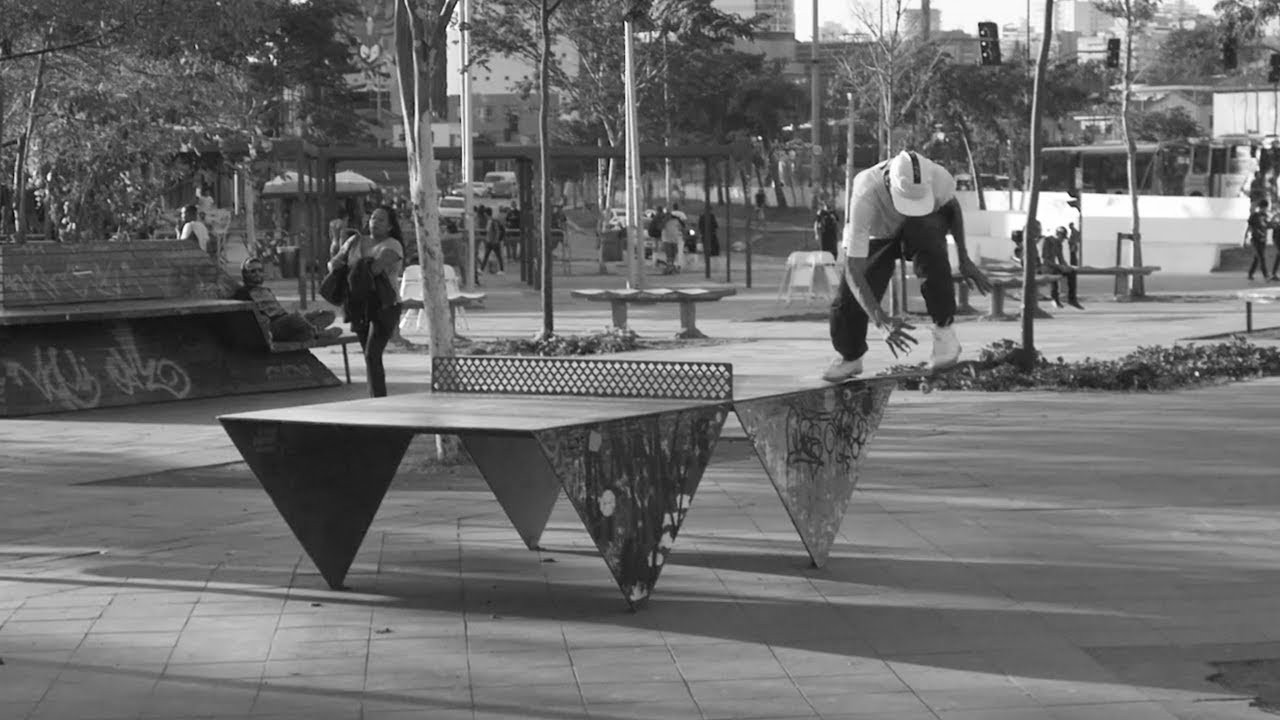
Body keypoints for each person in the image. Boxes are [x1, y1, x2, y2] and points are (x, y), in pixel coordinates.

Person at [823, 150, 992, 382]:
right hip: (878, 234)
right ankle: (851, 358)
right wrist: (881, 320)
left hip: (919, 228)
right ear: (888, 184)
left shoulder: (938, 177)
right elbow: (853, 267)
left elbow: (952, 209)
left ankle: (945, 334)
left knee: (929, 238)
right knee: (848, 300)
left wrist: (964, 258)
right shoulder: (865, 192)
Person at [329, 205, 404, 398]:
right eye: (373, 218)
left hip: (385, 305)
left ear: (389, 226)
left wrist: (354, 265)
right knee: (368, 356)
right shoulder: (355, 241)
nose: (375, 223)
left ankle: (379, 398)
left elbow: (375, 269)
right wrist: (337, 244)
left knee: (372, 353)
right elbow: (334, 263)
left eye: (381, 220)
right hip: (359, 304)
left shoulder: (393, 244)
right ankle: (376, 396)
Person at [234, 258, 343, 342]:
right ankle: (319, 333)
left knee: (327, 314)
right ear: (245, 274)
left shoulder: (266, 290)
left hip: (286, 322)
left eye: (260, 270)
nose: (257, 273)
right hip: (272, 327)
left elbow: (279, 311)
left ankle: (309, 332)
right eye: (253, 271)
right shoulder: (242, 293)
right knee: (294, 318)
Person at [1043, 227, 1083, 309]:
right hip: (1045, 267)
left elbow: (1061, 259)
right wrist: (1059, 266)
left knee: (1071, 272)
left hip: (1053, 266)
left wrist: (1068, 267)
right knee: (1054, 273)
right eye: (1062, 237)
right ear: (1057, 234)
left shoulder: (1058, 244)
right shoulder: (1047, 241)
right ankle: (1055, 299)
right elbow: (1045, 260)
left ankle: (1072, 299)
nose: (1063, 240)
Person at [1246, 199, 1274, 281]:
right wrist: (1246, 237)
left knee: (1257, 258)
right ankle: (1266, 275)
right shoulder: (1254, 215)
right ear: (1262, 207)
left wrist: (1273, 223)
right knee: (1261, 257)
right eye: (1265, 208)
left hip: (1263, 239)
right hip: (1255, 239)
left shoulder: (1266, 216)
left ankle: (1250, 273)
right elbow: (1249, 227)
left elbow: (1269, 226)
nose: (1265, 209)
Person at [480, 207, 505, 275]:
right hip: (489, 241)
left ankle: (502, 270)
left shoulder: (493, 221)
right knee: (487, 256)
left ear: (486, 213)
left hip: (494, 242)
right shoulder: (489, 221)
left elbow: (497, 231)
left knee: (498, 256)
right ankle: (481, 269)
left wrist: (496, 240)